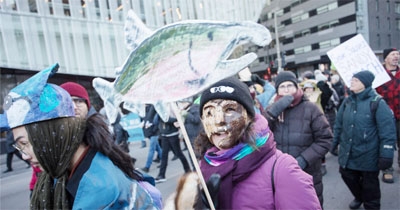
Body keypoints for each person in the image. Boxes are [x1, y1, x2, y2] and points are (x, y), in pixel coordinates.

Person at [3, 64, 162, 209]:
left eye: (24, 143)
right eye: (19, 146)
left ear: (55, 133)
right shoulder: (66, 170)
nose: (24, 155)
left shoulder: (100, 190)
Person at [193, 77, 321, 209]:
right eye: (209, 112)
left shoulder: (283, 169)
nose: (219, 120)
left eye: (230, 109)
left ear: (249, 117)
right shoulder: (203, 168)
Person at [263, 71, 332, 207]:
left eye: (290, 85)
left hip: (306, 171)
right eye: (282, 86)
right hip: (279, 173)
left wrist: (303, 160)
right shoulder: (272, 109)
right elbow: (258, 135)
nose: (286, 89)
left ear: (297, 87)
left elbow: (325, 139)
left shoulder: (311, 108)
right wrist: (272, 113)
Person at [331, 70, 396, 209]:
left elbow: (387, 132)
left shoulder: (377, 103)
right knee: (347, 175)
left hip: (368, 154)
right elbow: (338, 124)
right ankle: (359, 196)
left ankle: (371, 205)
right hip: (348, 152)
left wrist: (386, 155)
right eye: (352, 79)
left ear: (365, 84)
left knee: (370, 186)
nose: (352, 82)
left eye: (356, 80)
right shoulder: (347, 101)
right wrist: (333, 143)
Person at [375, 48, 400, 184]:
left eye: (397, 54)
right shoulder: (378, 74)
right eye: (393, 54)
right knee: (387, 143)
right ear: (385, 58)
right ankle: (387, 169)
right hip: (384, 115)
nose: (396, 57)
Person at [155, 104, 191, 183]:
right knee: (164, 155)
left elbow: (170, 118)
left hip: (172, 134)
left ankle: (187, 170)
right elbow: (162, 119)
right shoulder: (160, 107)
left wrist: (173, 120)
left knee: (178, 153)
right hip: (164, 134)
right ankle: (161, 175)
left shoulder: (172, 106)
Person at [141, 104, 162, 173]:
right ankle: (163, 161)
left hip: (153, 132)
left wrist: (153, 129)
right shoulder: (145, 109)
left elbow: (156, 121)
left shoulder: (153, 107)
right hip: (150, 131)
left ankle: (147, 166)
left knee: (152, 149)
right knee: (157, 148)